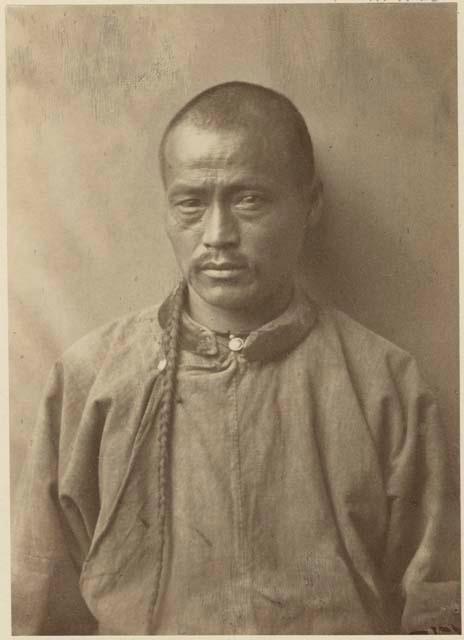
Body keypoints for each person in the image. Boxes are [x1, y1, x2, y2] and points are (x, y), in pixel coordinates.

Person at [12, 81, 460, 635]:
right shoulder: (91, 379)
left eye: (249, 200)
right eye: (191, 203)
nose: (218, 235)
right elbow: (39, 611)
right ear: (167, 210)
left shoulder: (384, 383)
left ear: (310, 203)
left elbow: (437, 602)